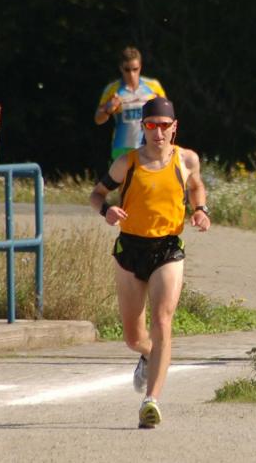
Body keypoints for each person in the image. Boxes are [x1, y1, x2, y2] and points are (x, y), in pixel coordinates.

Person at [89, 96, 211, 429]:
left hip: (167, 248)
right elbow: (96, 194)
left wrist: (201, 210)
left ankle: (151, 401)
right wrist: (107, 211)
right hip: (130, 249)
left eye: (164, 126)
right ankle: (148, 354)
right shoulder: (127, 163)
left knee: (162, 321)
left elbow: (196, 186)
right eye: (151, 126)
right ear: (143, 128)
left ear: (174, 127)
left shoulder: (186, 159)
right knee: (133, 337)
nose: (158, 133)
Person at [94, 46, 167, 162]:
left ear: (140, 66)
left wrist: (158, 107)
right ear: (121, 68)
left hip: (148, 146)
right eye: (127, 70)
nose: (132, 74)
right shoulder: (112, 89)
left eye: (135, 69)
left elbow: (167, 117)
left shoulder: (153, 86)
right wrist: (108, 109)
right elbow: (98, 119)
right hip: (122, 148)